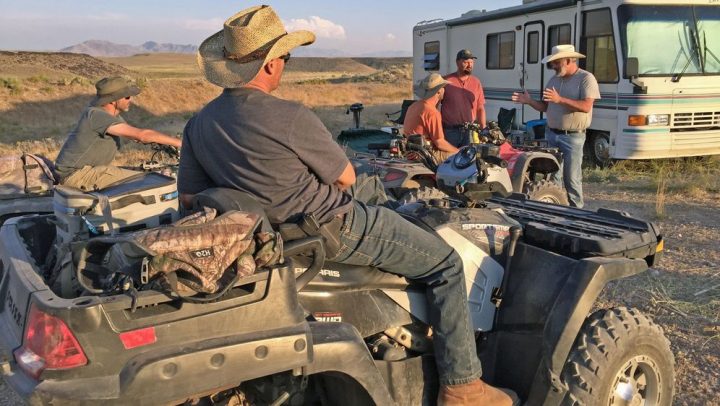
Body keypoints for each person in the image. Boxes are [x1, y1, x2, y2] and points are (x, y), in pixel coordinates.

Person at [177, 6, 516, 406]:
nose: (285, 65)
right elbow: (345, 179)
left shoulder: (199, 124)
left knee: (382, 200)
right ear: (269, 65)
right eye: (285, 58)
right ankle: (462, 385)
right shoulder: (288, 116)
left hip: (271, 237)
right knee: (445, 264)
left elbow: (188, 200)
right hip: (332, 226)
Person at [54, 76, 182, 190]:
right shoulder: (96, 115)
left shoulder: (112, 117)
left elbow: (135, 136)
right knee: (149, 181)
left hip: (88, 172)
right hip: (76, 176)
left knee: (151, 172)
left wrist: (166, 144)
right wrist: (183, 143)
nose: (130, 99)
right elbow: (142, 136)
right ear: (112, 100)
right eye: (126, 96)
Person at [511, 45, 600, 208]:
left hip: (573, 136)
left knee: (571, 178)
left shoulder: (586, 79)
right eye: (552, 63)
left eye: (556, 62)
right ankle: (556, 210)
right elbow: (546, 107)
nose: (553, 66)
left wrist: (560, 100)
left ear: (568, 60)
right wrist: (529, 101)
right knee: (553, 177)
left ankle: (577, 212)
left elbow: (586, 106)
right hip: (552, 134)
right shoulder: (553, 80)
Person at [403, 72, 459, 163]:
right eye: (443, 87)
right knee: (462, 157)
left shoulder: (414, 106)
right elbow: (439, 142)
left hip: (411, 152)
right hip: (426, 153)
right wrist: (458, 151)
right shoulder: (432, 112)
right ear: (439, 91)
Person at [441, 49, 487, 148]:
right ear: (457, 62)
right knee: (449, 160)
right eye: (466, 62)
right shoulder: (445, 81)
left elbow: (480, 108)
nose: (469, 65)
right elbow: (434, 106)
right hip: (449, 132)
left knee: (469, 161)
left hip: (469, 132)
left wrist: (484, 130)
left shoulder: (476, 82)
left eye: (471, 62)